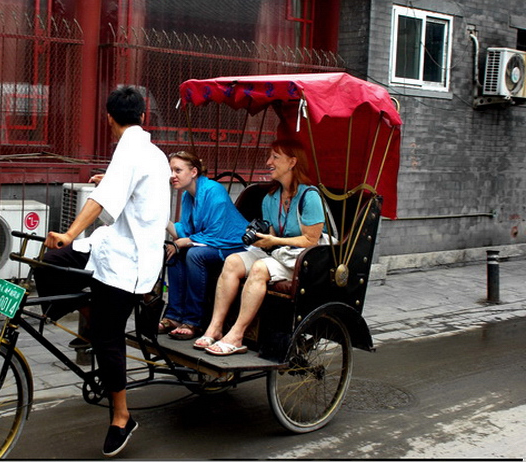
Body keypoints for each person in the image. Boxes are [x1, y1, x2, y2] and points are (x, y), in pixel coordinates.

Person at [35, 85, 170, 457]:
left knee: (108, 337)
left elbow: (102, 202)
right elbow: (123, 190)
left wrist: (69, 233)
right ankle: (89, 314)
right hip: (114, 247)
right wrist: (105, 184)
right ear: (144, 116)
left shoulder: (130, 150)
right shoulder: (149, 151)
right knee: (51, 264)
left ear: (108, 118)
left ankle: (122, 417)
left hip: (130, 262)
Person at [193, 138, 326, 356]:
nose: (268, 162)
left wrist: (274, 241)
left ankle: (236, 335)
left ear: (292, 162)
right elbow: (273, 233)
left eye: (275, 157)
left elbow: (311, 240)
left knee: (259, 269)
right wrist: (262, 238)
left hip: (303, 258)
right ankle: (215, 328)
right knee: (233, 261)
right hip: (278, 253)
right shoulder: (271, 198)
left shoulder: (309, 196)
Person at [160, 151, 248, 340]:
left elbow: (215, 231)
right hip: (208, 243)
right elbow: (184, 231)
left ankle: (194, 321)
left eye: (178, 170)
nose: (172, 175)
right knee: (174, 252)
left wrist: (186, 242)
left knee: (194, 254)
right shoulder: (187, 196)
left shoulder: (213, 190)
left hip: (232, 244)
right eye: (171, 170)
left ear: (193, 172)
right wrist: (160, 218)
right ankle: (174, 315)